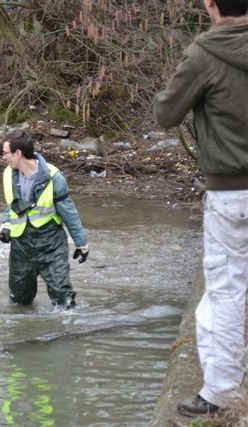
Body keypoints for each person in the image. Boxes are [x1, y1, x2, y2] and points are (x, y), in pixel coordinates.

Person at [153, 0, 248, 417]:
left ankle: (220, 394)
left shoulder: (205, 54)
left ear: (211, 4)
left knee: (225, 291)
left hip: (233, 192)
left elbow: (165, 114)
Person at [0, 129, 89, 309]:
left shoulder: (53, 177)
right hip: (21, 246)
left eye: (5, 153)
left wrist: (81, 242)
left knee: (62, 298)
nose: (3, 157)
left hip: (50, 244)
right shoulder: (8, 174)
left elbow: (69, 211)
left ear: (18, 153)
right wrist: (6, 223)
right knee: (19, 301)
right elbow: (11, 204)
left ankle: (68, 332)